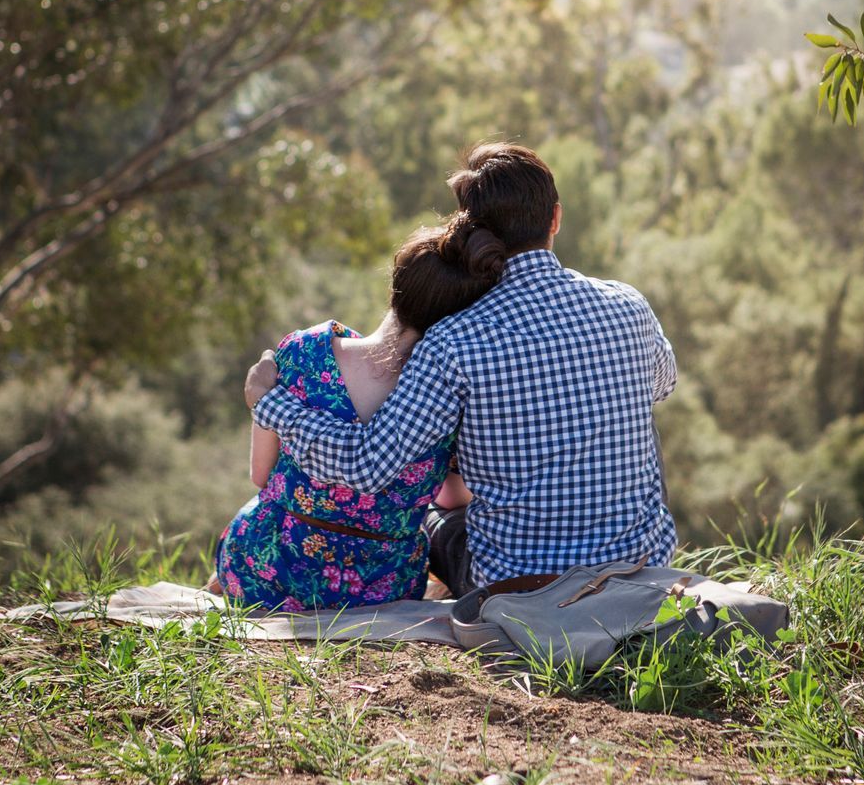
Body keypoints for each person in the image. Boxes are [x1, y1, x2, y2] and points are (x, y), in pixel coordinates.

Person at [245, 142, 678, 597]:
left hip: (516, 591)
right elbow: (661, 383)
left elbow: (367, 465)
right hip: (640, 575)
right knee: (642, 417)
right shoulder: (629, 304)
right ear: (555, 218)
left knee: (437, 518)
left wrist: (270, 404)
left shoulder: (453, 340)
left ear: (472, 231)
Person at [212, 218, 500, 610]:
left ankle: (222, 579)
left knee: (252, 517)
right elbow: (453, 498)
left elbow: (261, 476)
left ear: (397, 284)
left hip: (271, 574)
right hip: (381, 590)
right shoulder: (447, 393)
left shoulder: (303, 352)